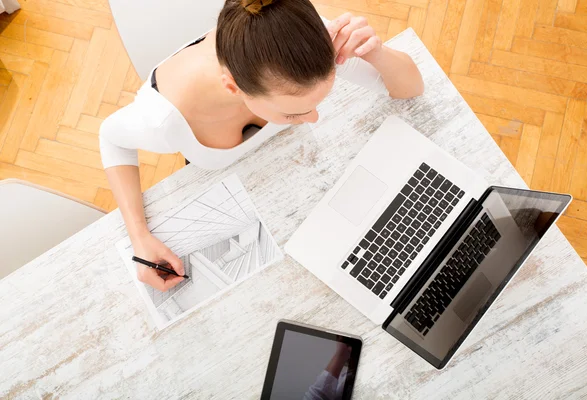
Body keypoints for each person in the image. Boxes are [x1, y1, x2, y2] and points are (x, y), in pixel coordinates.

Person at [99, 0, 425, 292]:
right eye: (293, 112)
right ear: (233, 87)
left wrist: (375, 52)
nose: (313, 118)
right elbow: (111, 138)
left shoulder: (306, 47)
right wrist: (139, 237)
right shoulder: (166, 122)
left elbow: (409, 88)